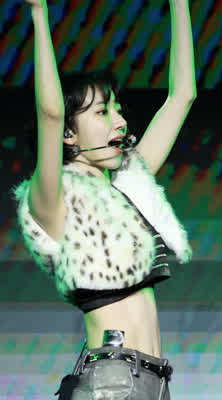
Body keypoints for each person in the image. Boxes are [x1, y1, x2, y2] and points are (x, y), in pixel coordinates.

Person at [14, 0, 195, 398]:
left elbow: (182, 95)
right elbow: (50, 113)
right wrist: (39, 14)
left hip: (154, 380)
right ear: (69, 135)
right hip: (113, 380)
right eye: (102, 112)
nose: (121, 121)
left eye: (118, 109)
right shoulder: (52, 197)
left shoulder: (124, 186)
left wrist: (179, 4)